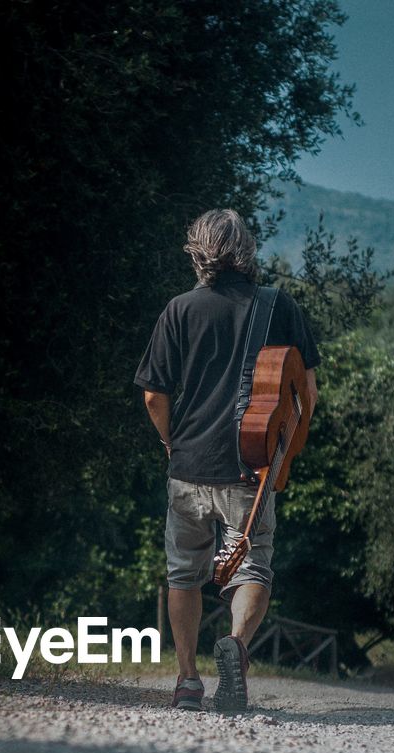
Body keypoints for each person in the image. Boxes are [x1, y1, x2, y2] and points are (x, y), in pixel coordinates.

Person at [134, 208, 320, 715]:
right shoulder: (278, 306)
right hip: (252, 467)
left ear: (198, 251)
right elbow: (307, 392)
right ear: (248, 251)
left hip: (188, 467)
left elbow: (154, 396)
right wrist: (284, 446)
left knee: (184, 575)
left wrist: (172, 442)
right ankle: (236, 644)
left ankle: (188, 680)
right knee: (253, 566)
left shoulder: (178, 309)